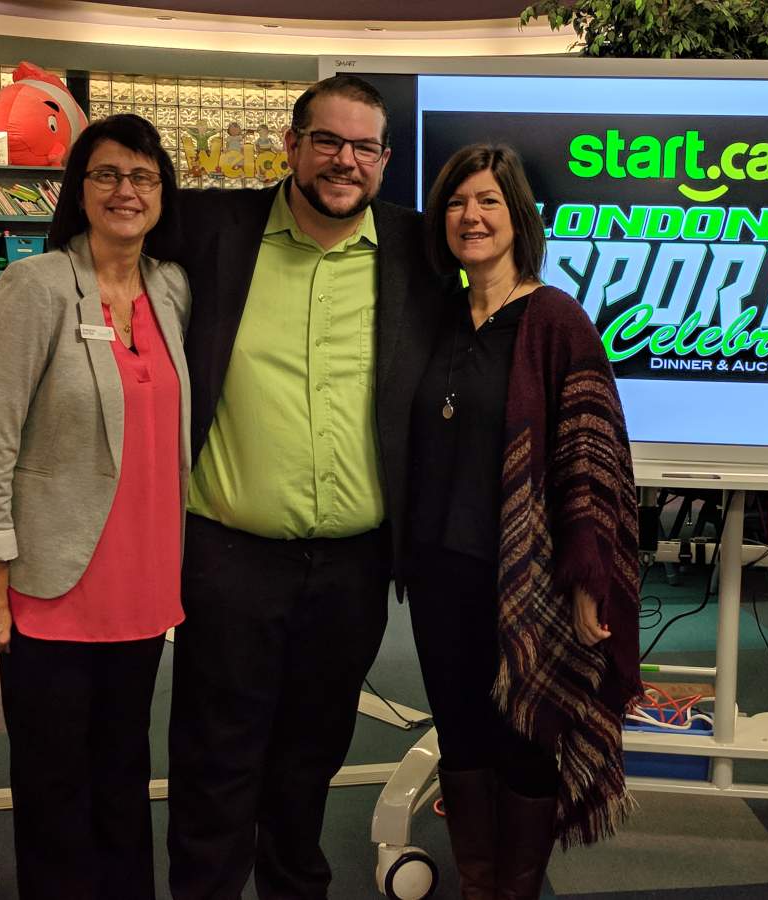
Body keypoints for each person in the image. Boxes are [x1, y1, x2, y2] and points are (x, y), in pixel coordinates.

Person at [165, 74, 445, 899]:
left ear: (385, 160)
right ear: (292, 146)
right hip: (228, 556)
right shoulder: (215, 230)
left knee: (311, 755)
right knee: (217, 756)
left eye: (363, 147)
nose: (344, 161)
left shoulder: (416, 251)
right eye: (327, 140)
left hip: (354, 568)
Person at [0, 113, 190, 900]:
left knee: (124, 773)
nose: (126, 191)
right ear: (79, 189)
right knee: (56, 788)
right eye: (107, 175)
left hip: (143, 587)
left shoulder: (170, 288)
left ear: (162, 193)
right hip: (51, 586)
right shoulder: (37, 286)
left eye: (143, 177)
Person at [406, 144, 642, 899]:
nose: (470, 217)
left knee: (527, 736)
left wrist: (587, 576)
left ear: (518, 218)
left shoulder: (554, 321)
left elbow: (591, 456)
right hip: (438, 569)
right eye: (455, 202)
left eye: (488, 202)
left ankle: (516, 889)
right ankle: (481, 883)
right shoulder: (432, 315)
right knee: (461, 735)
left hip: (525, 576)